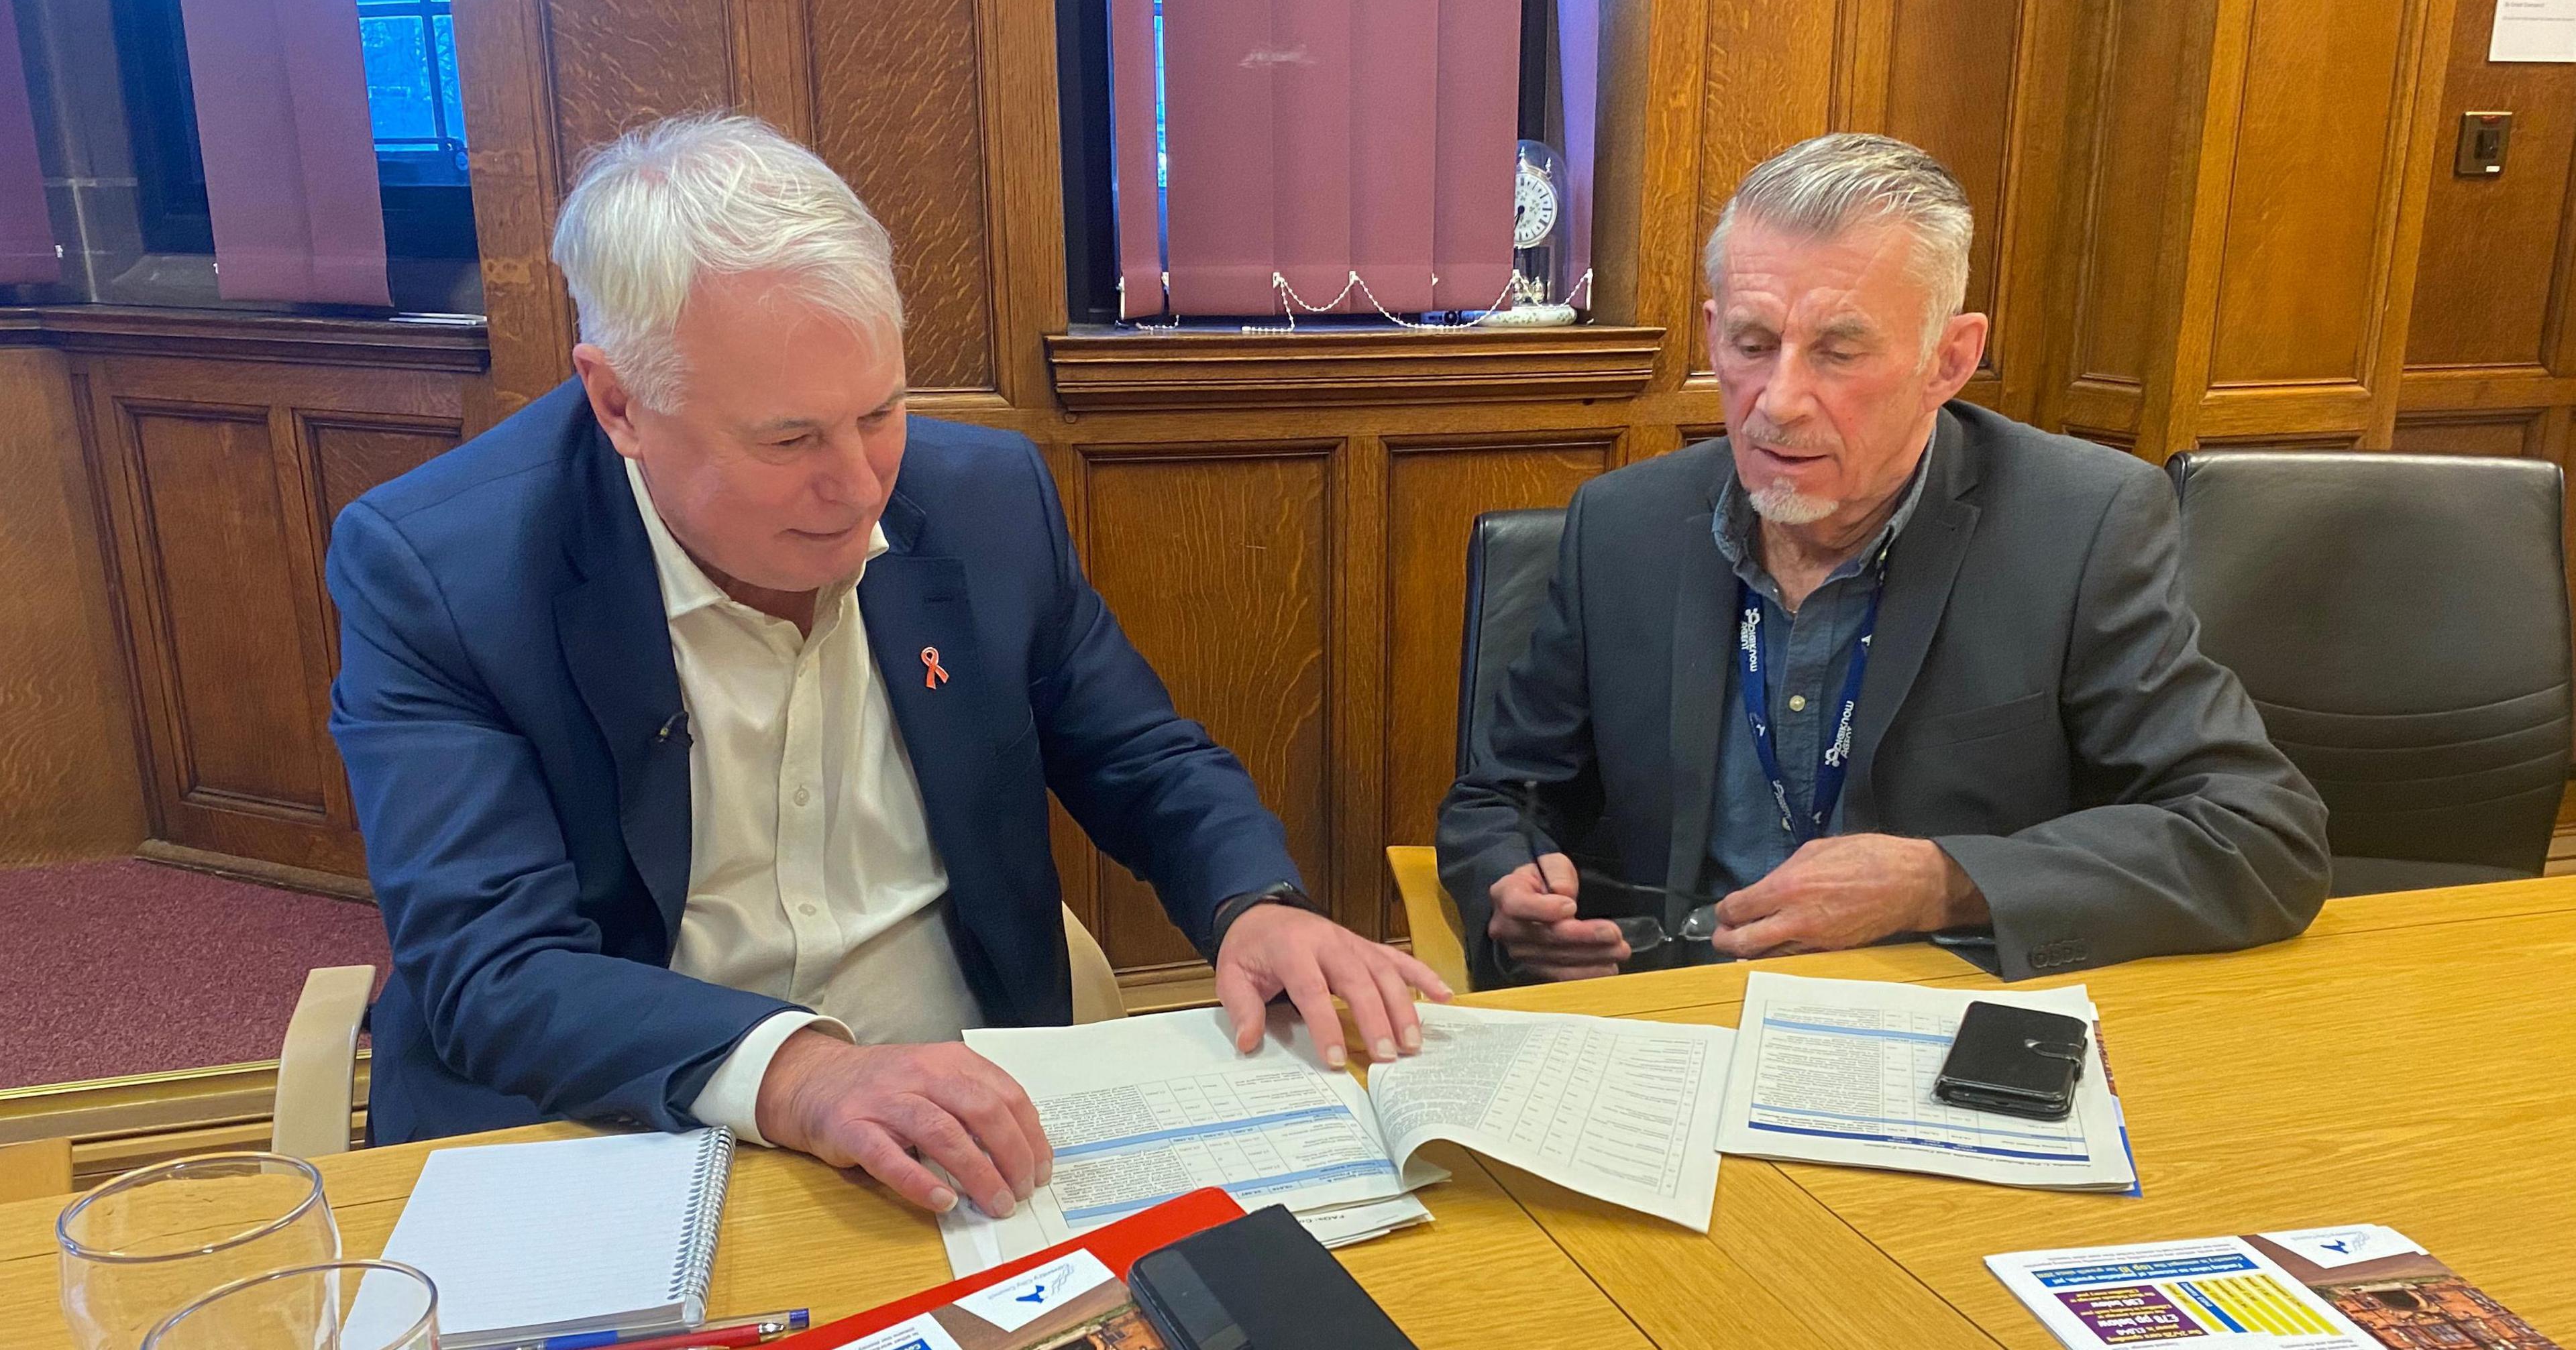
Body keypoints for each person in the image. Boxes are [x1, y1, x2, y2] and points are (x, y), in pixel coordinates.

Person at [328, 113, 1448, 1218]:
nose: (861, 489)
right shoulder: (440, 571)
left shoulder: (982, 498)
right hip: (614, 1124)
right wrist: (804, 1073)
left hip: (959, 1119)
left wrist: (1255, 903)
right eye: (788, 441)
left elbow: (1141, 757)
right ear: (619, 402)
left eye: (880, 412)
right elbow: (495, 967)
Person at [1437, 133, 2328, 989]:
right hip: (1675, 1006)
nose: (1778, 404)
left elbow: (2256, 835)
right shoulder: (1623, 526)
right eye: (1752, 345)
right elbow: (1501, 796)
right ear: (1713, 334)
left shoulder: (2078, 526)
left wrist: (1942, 880)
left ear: (1950, 358)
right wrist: (1508, 886)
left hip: (1931, 1014)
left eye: (1838, 350)